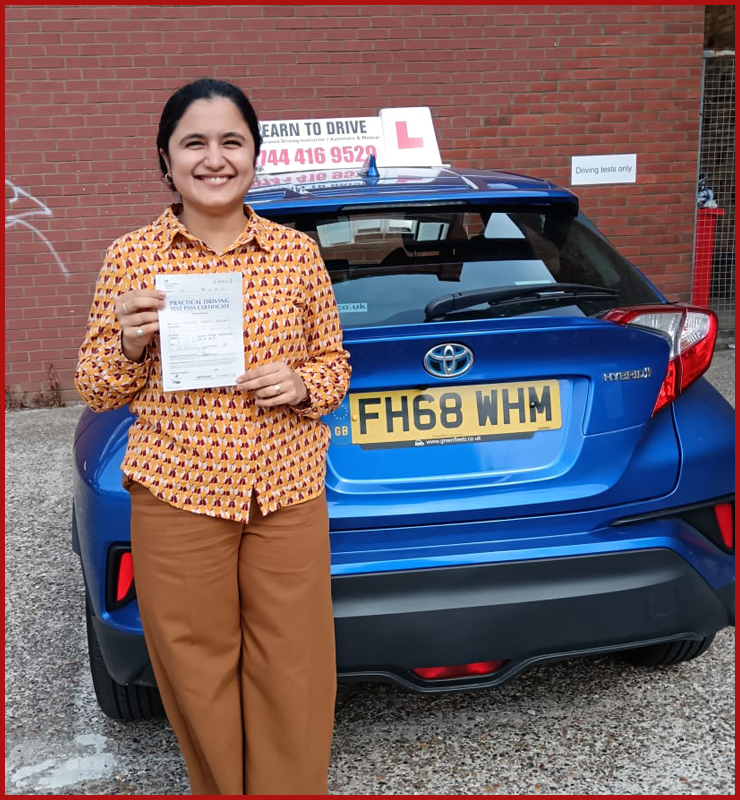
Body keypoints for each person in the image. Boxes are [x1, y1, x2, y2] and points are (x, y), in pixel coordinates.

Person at [75, 78, 351, 795]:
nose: (214, 158)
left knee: (295, 666)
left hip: (286, 489)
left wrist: (303, 384)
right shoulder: (132, 258)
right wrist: (131, 344)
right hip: (179, 489)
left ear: (255, 155)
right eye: (193, 142)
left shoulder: (296, 255)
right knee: (196, 668)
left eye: (232, 141)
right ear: (165, 161)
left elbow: (334, 364)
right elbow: (97, 388)